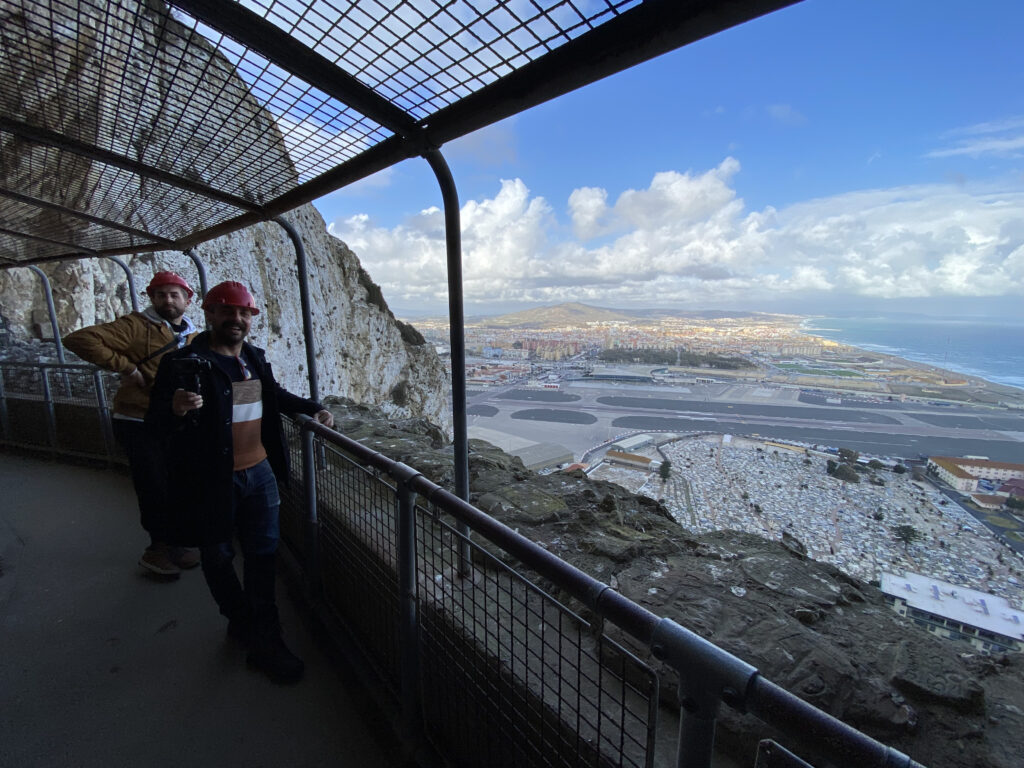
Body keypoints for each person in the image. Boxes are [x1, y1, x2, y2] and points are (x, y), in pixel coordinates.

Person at [147, 280, 334, 683]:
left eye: (243, 312)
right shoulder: (183, 363)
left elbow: (274, 396)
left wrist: (313, 408)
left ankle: (266, 638)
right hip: (209, 481)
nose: (235, 318)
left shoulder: (253, 357)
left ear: (250, 319)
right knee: (217, 556)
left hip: (259, 473)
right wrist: (174, 409)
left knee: (263, 556)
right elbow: (154, 425)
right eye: (226, 311)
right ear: (210, 314)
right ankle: (241, 618)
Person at [63, 271, 199, 577]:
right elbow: (79, 339)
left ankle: (174, 542)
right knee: (154, 485)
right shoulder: (137, 326)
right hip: (137, 419)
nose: (168, 300)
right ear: (152, 298)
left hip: (170, 421)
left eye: (175, 294)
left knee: (175, 482)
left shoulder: (190, 335)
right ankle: (157, 550)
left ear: (188, 300)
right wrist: (127, 367)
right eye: (161, 294)